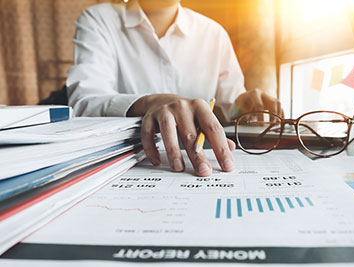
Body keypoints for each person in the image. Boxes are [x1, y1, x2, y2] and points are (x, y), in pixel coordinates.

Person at [67, 0, 283, 177]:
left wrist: (242, 104)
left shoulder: (213, 32)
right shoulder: (99, 20)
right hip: (130, 166)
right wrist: (151, 102)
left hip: (202, 163)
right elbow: (84, 101)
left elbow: (226, 105)